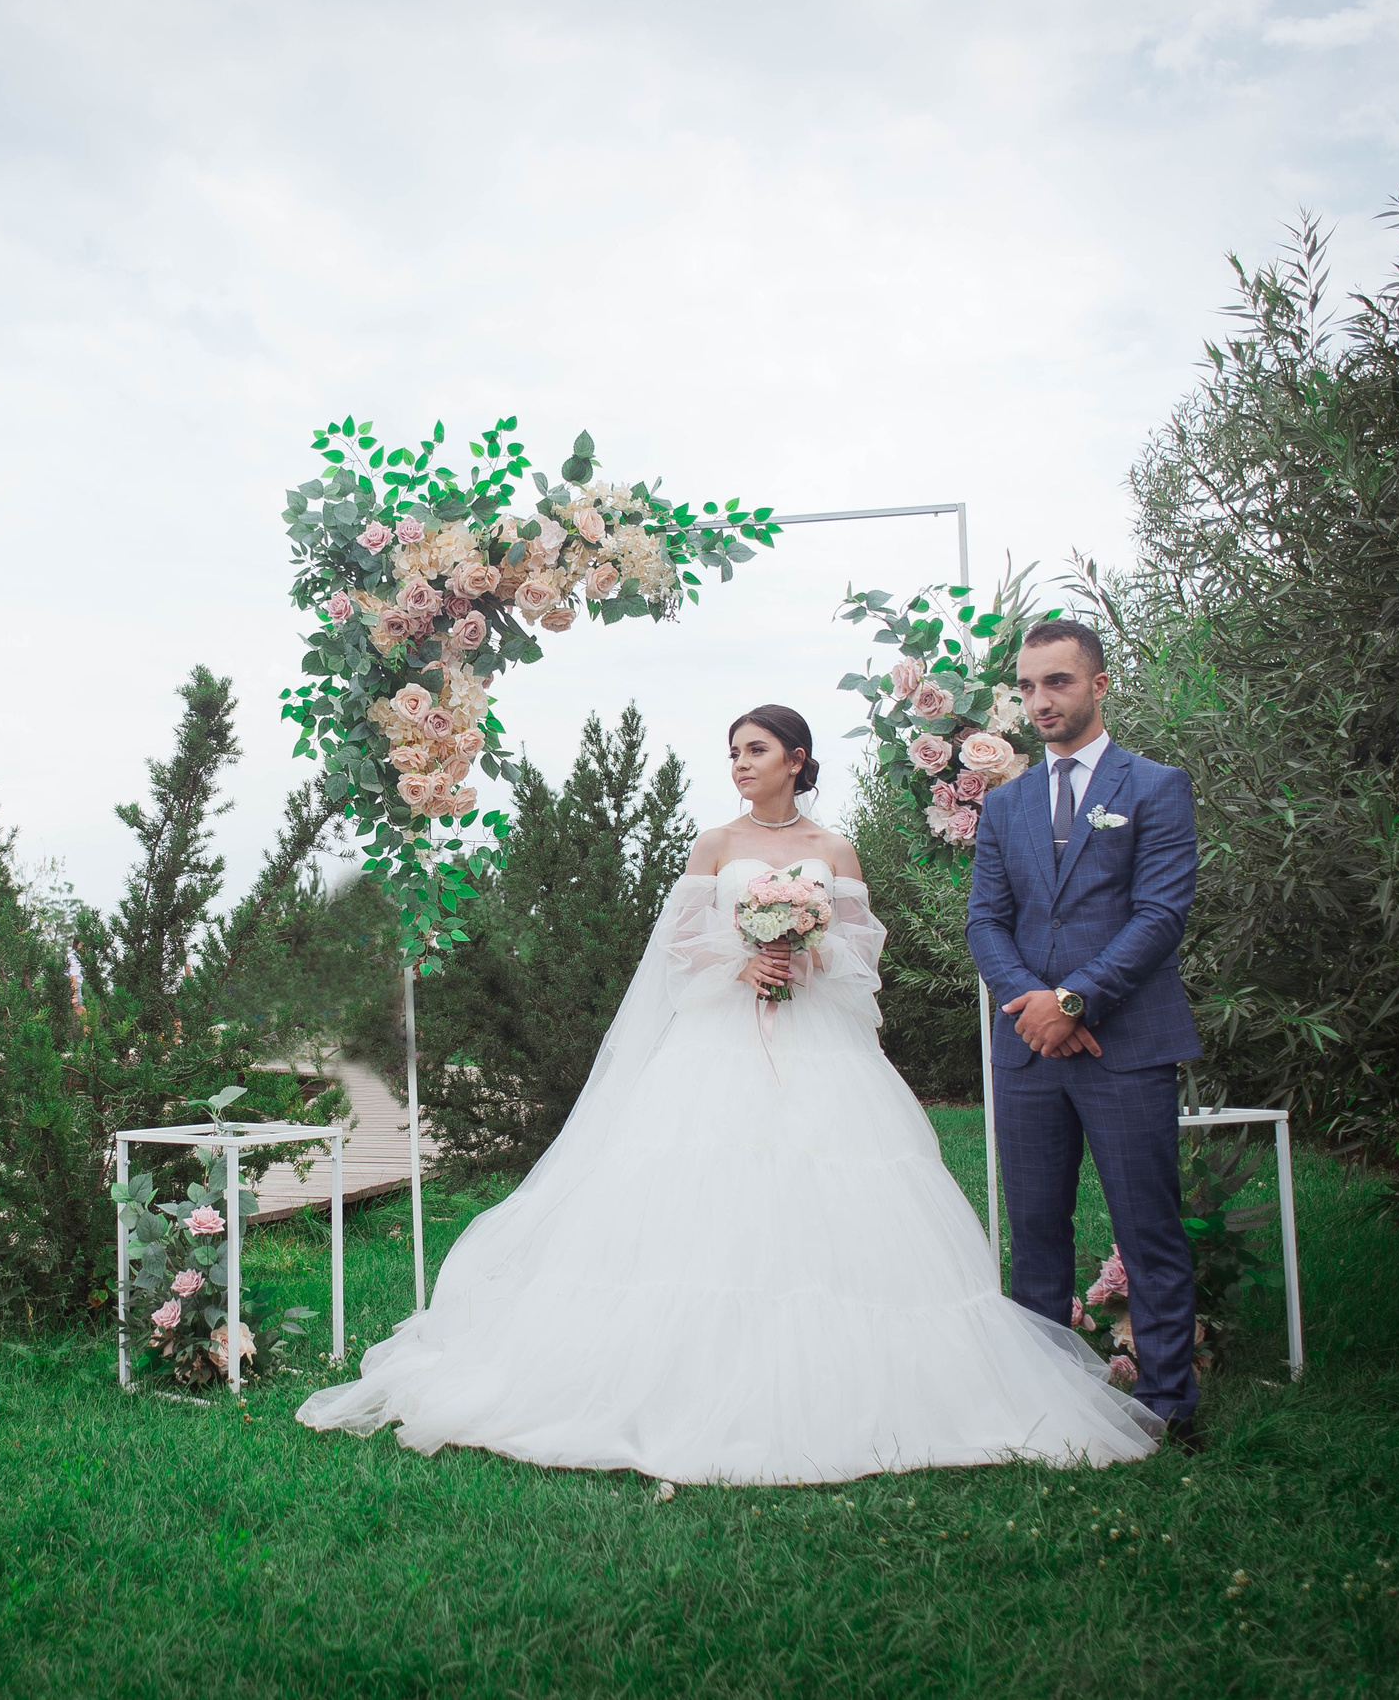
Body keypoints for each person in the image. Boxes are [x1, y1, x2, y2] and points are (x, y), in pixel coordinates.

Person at [297, 705, 1159, 1483]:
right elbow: (676, 957)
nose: (739, 764)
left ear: (797, 757)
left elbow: (864, 959)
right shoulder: (713, 844)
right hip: (718, 1044)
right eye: (732, 751)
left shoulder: (834, 850)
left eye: (754, 750)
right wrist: (742, 958)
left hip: (818, 1044)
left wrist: (812, 951)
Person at [965, 620, 1205, 1450]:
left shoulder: (1157, 786)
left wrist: (1074, 1001)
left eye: (1058, 683)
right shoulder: (1006, 803)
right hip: (1027, 1048)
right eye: (1028, 686)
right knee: (1035, 1231)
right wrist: (1035, 1003)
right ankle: (1046, 1405)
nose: (1040, 701)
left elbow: (1160, 913)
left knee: (1148, 1226)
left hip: (1126, 1041)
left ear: (1100, 685)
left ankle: (1170, 1400)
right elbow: (987, 923)